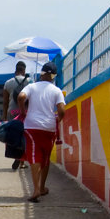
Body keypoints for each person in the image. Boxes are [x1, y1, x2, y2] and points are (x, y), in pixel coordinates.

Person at [18, 61, 66, 203]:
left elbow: (21, 97)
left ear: (42, 73)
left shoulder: (31, 86)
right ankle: (43, 187)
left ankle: (36, 189)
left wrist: (23, 112)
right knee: (45, 157)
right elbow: (62, 110)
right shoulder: (56, 90)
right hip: (49, 127)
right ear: (53, 76)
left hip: (32, 126)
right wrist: (58, 120)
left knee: (34, 156)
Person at [2, 61, 31, 169]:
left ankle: (15, 155)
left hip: (12, 112)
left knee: (13, 135)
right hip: (25, 111)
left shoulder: (8, 83)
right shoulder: (30, 82)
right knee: (24, 135)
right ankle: (22, 161)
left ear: (15, 71)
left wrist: (4, 116)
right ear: (24, 70)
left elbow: (5, 102)